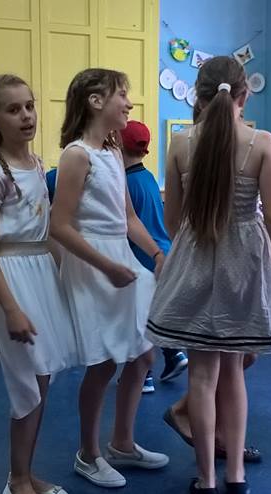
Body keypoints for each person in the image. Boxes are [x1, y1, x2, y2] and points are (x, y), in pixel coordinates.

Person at [147, 56, 271, 494]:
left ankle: (206, 484)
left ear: (198, 97)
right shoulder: (262, 142)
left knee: (202, 377)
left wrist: (200, 236)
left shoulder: (180, 143)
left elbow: (172, 220)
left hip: (196, 258)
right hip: (244, 264)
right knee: (234, 374)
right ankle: (236, 480)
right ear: (245, 94)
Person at [50, 68, 169, 490]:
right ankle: (88, 453)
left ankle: (122, 443)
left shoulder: (114, 152)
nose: (129, 103)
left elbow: (129, 218)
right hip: (93, 265)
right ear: (96, 101)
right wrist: (106, 266)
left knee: (143, 354)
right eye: (122, 95)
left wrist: (157, 253)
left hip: (119, 258)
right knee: (103, 363)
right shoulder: (76, 155)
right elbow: (59, 226)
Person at [0, 74, 76, 494]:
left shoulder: (38, 165)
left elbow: (48, 232)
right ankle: (15, 484)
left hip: (41, 272)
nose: (26, 115)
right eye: (13, 109)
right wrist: (12, 307)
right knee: (25, 382)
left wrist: (65, 280)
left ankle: (26, 471)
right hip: (13, 276)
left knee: (42, 377)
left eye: (30, 106)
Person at [117, 120, 189, 391]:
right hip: (164, 252)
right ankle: (173, 354)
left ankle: (143, 376)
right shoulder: (148, 178)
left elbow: (126, 225)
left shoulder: (125, 183)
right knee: (153, 314)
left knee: (136, 319)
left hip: (142, 256)